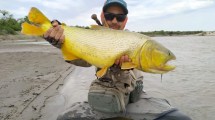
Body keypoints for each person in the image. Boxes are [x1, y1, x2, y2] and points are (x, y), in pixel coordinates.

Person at [44, 0, 192, 120]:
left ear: (125, 20)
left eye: (120, 17)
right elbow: (82, 60)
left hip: (135, 99)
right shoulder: (94, 38)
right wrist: (60, 41)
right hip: (103, 98)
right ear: (102, 17)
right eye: (109, 16)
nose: (115, 21)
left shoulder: (135, 40)